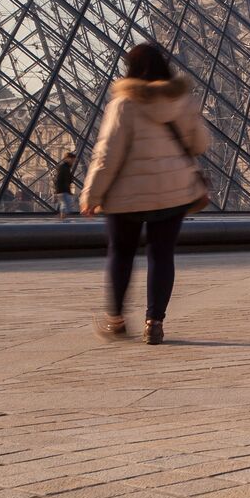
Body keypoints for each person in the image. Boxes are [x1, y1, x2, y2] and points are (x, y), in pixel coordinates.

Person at [79, 41, 211, 346]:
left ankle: (116, 319)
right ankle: (155, 322)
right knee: (161, 255)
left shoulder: (123, 104)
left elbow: (107, 155)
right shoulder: (184, 101)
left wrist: (92, 195)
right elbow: (200, 144)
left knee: (121, 253)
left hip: (127, 196)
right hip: (173, 193)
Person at [54, 151, 80, 220]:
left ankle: (61, 218)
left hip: (63, 190)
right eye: (73, 160)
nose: (73, 162)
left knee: (66, 205)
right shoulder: (64, 167)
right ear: (68, 158)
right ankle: (61, 219)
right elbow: (59, 179)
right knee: (67, 205)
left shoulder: (65, 167)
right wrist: (58, 191)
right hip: (63, 190)